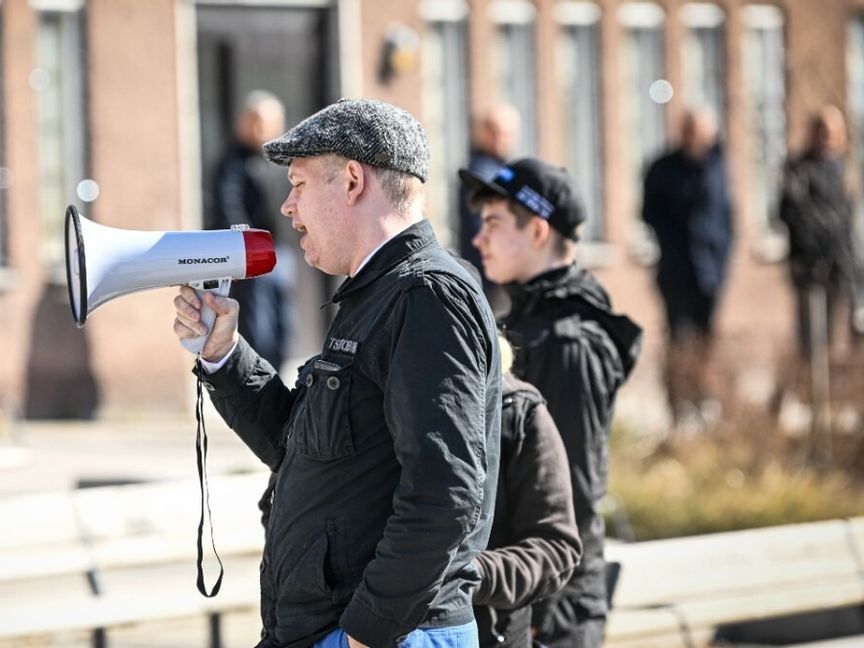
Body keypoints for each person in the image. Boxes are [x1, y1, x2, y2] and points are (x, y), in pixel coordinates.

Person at [174, 98, 502, 648]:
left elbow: (445, 491)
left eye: (299, 184)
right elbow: (298, 444)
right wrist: (224, 356)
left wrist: (368, 632)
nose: (286, 207)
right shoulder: (378, 296)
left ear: (352, 181)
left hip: (386, 634)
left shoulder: (426, 296)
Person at [461, 158, 642, 648]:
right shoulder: (529, 320)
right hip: (523, 594)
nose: (479, 239)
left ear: (538, 231)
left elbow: (571, 493)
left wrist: (545, 614)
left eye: (494, 224)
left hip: (551, 608)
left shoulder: (567, 344)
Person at [473, 336, 582, 647]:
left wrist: (466, 576)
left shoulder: (517, 410)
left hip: (493, 632)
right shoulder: (375, 396)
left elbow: (556, 546)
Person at [641, 107, 732, 427]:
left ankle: (703, 400)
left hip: (710, 272)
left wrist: (721, 259)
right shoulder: (662, 168)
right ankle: (679, 408)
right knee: (678, 338)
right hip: (676, 271)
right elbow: (649, 213)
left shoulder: (717, 167)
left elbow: (726, 217)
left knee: (707, 338)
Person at [207, 90, 293, 371]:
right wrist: (245, 246)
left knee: (283, 321)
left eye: (267, 122)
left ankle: (280, 373)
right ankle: (262, 374)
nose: (260, 129)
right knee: (259, 322)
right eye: (254, 121)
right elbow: (228, 207)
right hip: (252, 254)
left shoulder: (283, 161)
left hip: (283, 252)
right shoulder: (233, 162)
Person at [779, 104, 862, 359]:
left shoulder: (847, 170)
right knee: (813, 340)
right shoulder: (798, 169)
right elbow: (793, 212)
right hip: (810, 265)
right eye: (823, 130)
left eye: (835, 130)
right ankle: (811, 393)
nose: (829, 136)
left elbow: (851, 221)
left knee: (849, 336)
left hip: (844, 265)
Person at [458, 105, 521, 316]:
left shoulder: (501, 170)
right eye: (499, 133)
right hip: (489, 277)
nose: (505, 140)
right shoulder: (482, 174)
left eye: (510, 134)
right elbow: (486, 227)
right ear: (484, 133)